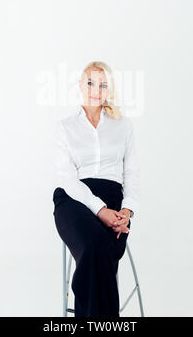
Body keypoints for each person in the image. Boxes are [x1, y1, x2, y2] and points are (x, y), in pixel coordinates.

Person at [52, 60, 140, 317]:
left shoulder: (123, 126)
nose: (95, 89)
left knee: (102, 249)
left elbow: (132, 174)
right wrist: (100, 210)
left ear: (108, 89)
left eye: (102, 85)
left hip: (115, 201)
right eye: (90, 82)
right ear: (80, 85)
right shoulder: (65, 127)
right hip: (74, 200)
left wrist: (127, 211)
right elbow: (68, 179)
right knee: (95, 244)